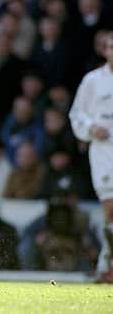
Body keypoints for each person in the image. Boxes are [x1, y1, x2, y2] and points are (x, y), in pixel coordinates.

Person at [69, 31, 113, 282]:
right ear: (105, 50)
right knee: (110, 207)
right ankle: (106, 266)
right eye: (111, 47)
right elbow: (77, 114)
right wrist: (90, 129)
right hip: (104, 151)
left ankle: (105, 265)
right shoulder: (93, 81)